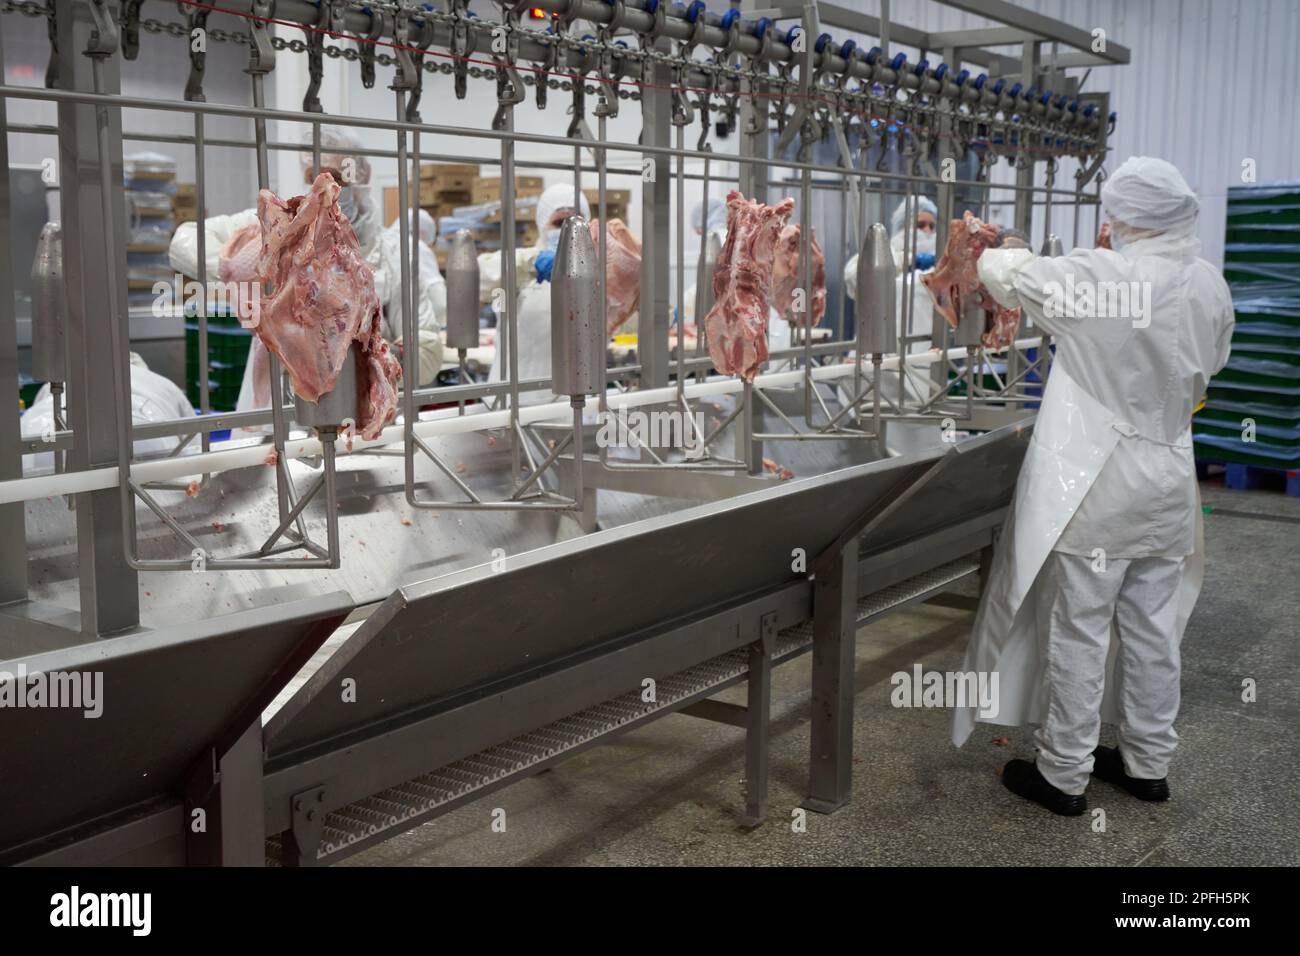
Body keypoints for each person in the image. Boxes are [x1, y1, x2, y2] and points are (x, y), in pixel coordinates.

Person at [952, 156, 1235, 815]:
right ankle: (1146, 764)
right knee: (1153, 630)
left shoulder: (1103, 277)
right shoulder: (1209, 284)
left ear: (1125, 219)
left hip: (1101, 488)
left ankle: (1064, 774)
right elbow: (1212, 364)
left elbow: (1006, 277)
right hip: (1168, 480)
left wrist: (1009, 246)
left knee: (1080, 630)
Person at [168, 126, 445, 421]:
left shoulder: (395, 255)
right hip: (273, 422)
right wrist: (261, 265)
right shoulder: (279, 230)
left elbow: (427, 350)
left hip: (361, 427)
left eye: (337, 177)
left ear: (363, 175)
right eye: (314, 176)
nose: (324, 187)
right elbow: (183, 243)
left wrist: (370, 359)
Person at [485, 184, 591, 406]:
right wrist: (531, 264)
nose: (566, 229)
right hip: (514, 397)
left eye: (575, 221)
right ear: (543, 225)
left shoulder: (593, 272)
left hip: (570, 399)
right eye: (559, 222)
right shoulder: (522, 265)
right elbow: (482, 279)